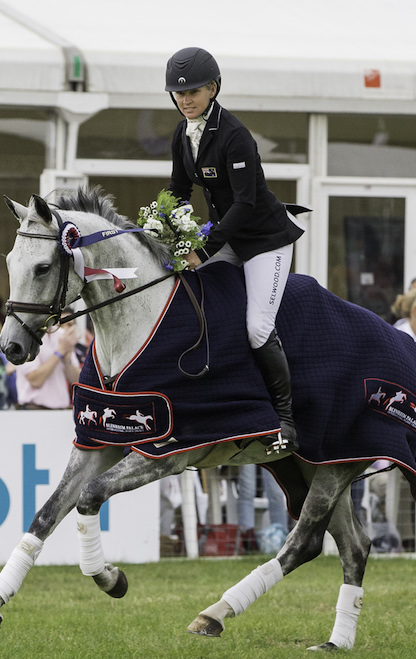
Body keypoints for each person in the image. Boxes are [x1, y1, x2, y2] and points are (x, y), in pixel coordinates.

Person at [165, 46, 306, 454]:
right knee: (189, 301)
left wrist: (204, 250)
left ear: (212, 88)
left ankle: (285, 418)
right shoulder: (182, 133)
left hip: (264, 242)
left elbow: (245, 204)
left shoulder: (235, 136)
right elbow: (178, 190)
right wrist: (171, 231)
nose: (185, 100)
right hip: (226, 238)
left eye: (192, 91)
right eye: (178, 94)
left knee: (257, 327)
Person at [15, 323, 81, 410]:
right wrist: (60, 351)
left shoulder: (62, 334)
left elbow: (77, 380)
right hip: (33, 410)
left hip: (60, 410)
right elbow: (35, 380)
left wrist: (67, 361)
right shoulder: (24, 336)